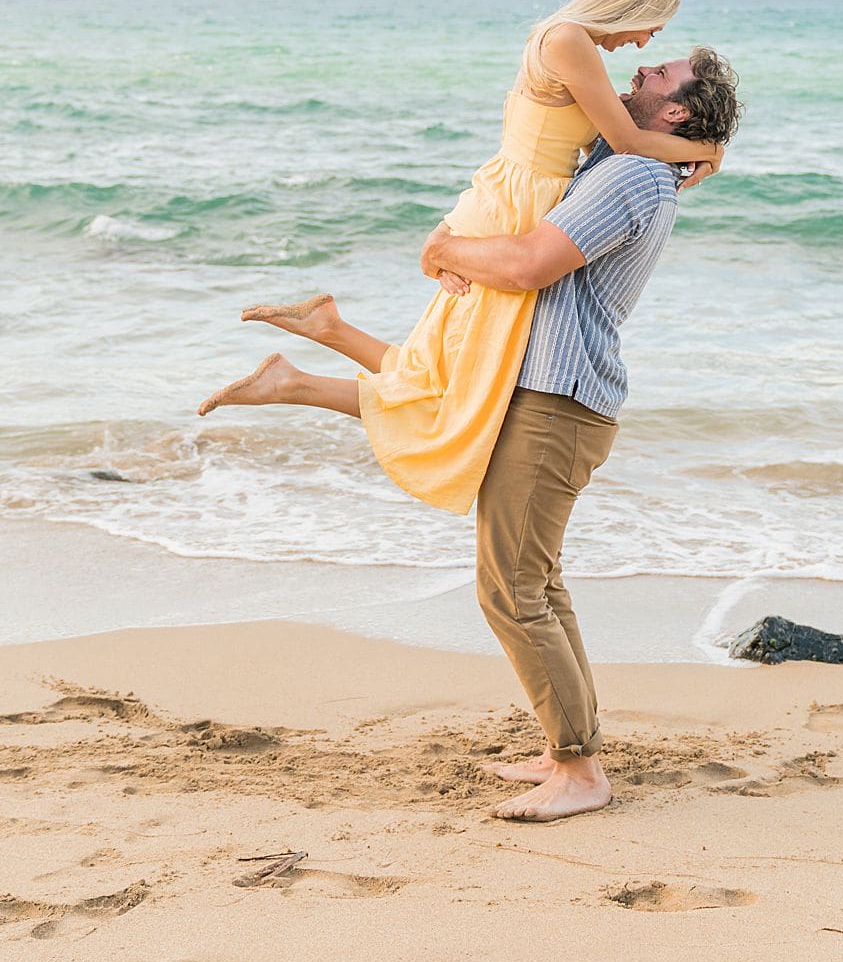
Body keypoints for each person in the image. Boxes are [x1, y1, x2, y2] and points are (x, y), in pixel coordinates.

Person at [197, 46, 743, 822]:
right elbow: (562, 135)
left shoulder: (629, 173)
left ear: (679, 107)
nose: (643, 68)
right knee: (538, 583)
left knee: (511, 590)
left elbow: (527, 263)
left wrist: (446, 249)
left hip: (558, 400)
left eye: (663, 72)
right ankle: (568, 746)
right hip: (555, 393)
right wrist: (706, 148)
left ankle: (581, 771)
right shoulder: (630, 156)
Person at [198, 0, 722, 518]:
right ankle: (297, 380)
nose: (644, 45)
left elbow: (625, 149)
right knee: (462, 385)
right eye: (653, 27)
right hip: (513, 212)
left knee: (447, 368)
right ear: (634, 3)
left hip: (514, 203)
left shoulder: (576, 47)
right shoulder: (569, 41)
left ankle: (322, 339)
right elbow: (625, 142)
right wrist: (707, 153)